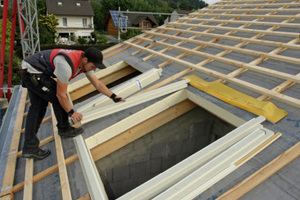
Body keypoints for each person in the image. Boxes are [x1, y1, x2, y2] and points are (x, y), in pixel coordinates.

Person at [20, 47, 125, 160]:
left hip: (30, 68)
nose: (93, 70)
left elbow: (97, 84)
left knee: (38, 107)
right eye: (93, 66)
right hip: (33, 71)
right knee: (55, 98)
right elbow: (60, 95)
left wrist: (113, 96)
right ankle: (64, 129)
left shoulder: (84, 61)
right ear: (85, 60)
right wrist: (72, 113)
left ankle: (30, 147)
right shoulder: (66, 66)